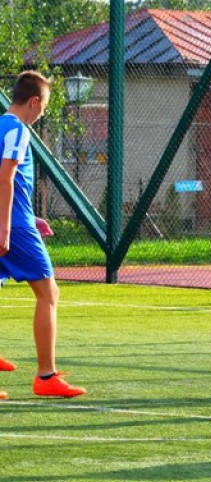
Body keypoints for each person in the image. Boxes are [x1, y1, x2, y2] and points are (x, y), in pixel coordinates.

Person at [0, 70, 85, 399]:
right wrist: (8, 226)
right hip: (13, 227)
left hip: (16, 220)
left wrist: (29, 216)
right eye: (45, 107)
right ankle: (46, 376)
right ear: (33, 102)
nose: (42, 113)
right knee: (49, 293)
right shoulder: (18, 130)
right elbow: (5, 178)